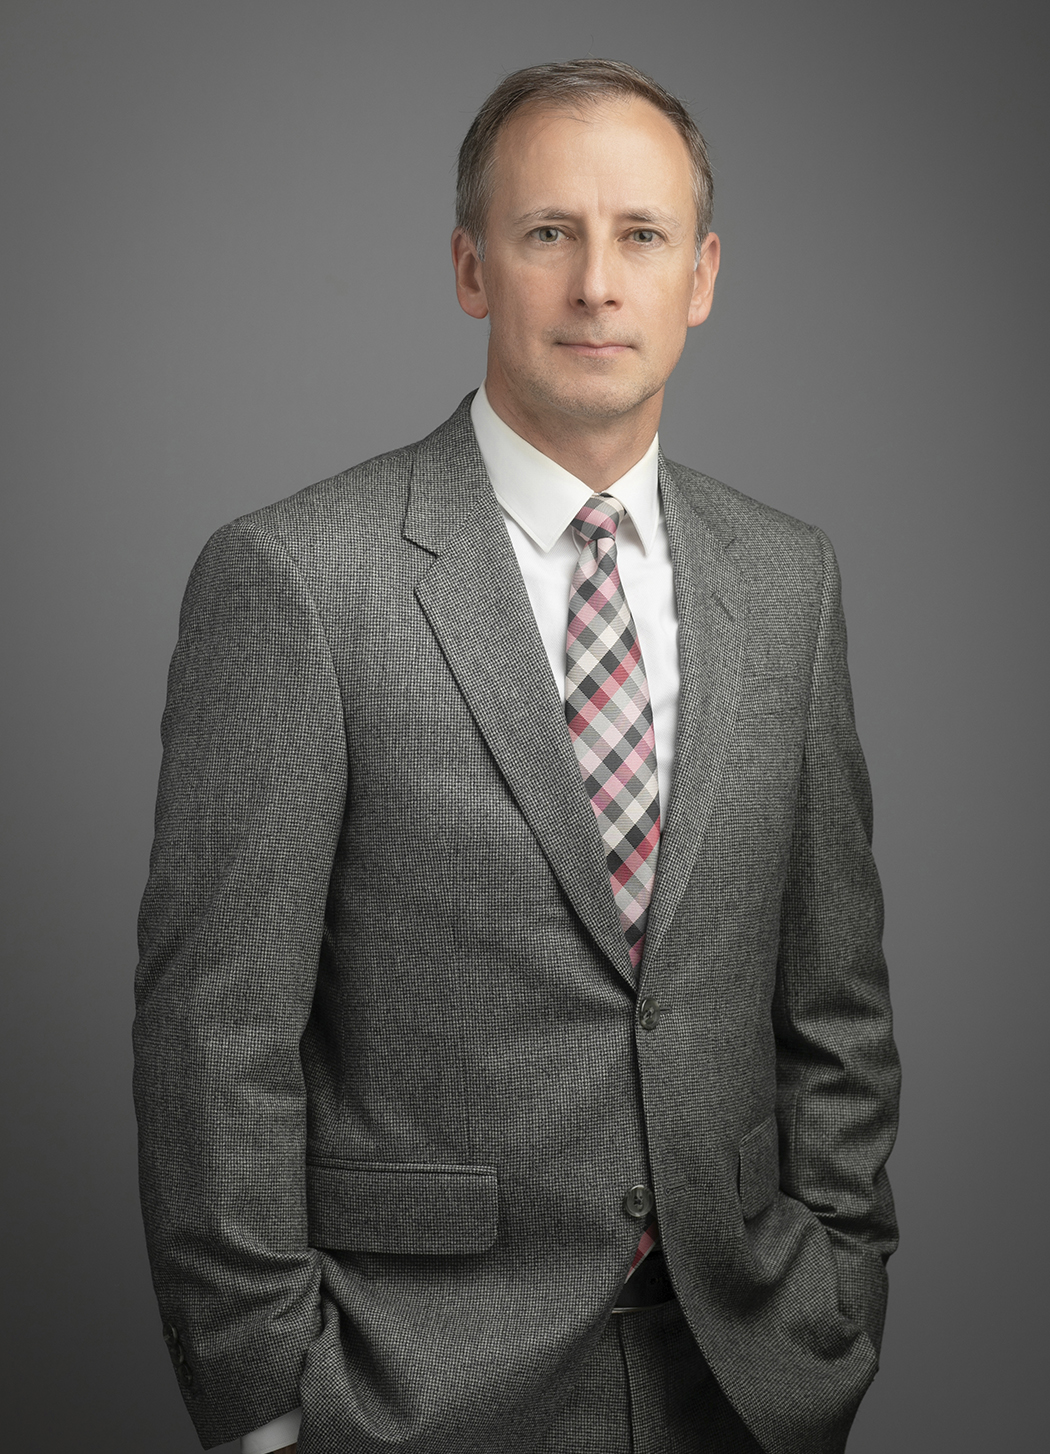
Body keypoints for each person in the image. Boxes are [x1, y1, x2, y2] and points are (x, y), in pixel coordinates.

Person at [134, 58, 900, 1454]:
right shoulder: (299, 579)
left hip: (741, 1372)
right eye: (550, 232)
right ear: (470, 267)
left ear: (701, 276)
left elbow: (833, 998)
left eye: (641, 235)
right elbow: (214, 1036)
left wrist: (837, 1290)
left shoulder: (788, 580)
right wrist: (261, 1399)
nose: (597, 284)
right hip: (410, 1386)